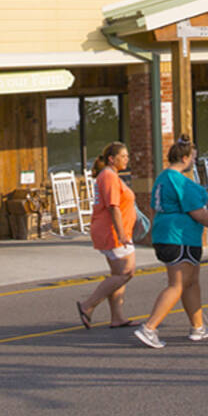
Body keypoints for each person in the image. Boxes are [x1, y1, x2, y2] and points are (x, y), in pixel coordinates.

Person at [133, 135, 208, 349]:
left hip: (165, 234)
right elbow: (198, 213)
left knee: (191, 281)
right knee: (177, 284)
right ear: (186, 158)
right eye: (193, 158)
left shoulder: (162, 178)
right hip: (181, 237)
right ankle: (149, 327)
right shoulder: (181, 182)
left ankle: (198, 327)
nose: (194, 162)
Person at [76, 141, 138, 329]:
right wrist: (121, 233)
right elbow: (113, 206)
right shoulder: (109, 176)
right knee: (127, 272)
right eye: (123, 155)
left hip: (112, 231)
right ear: (112, 159)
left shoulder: (109, 176)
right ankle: (88, 305)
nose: (127, 158)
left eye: (127, 155)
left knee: (118, 274)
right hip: (113, 232)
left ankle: (117, 317)